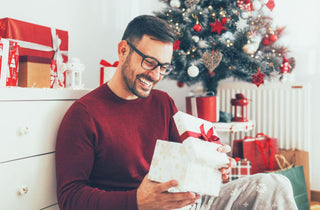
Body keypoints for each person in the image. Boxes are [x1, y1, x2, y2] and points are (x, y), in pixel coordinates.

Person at [55, 15, 297, 210]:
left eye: (164, 67)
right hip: (137, 206)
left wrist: (214, 163)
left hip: (186, 203)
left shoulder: (162, 102)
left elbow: (187, 157)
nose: (156, 75)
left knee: (276, 183)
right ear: (122, 51)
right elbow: (70, 198)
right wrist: (138, 201)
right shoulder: (84, 115)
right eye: (150, 62)